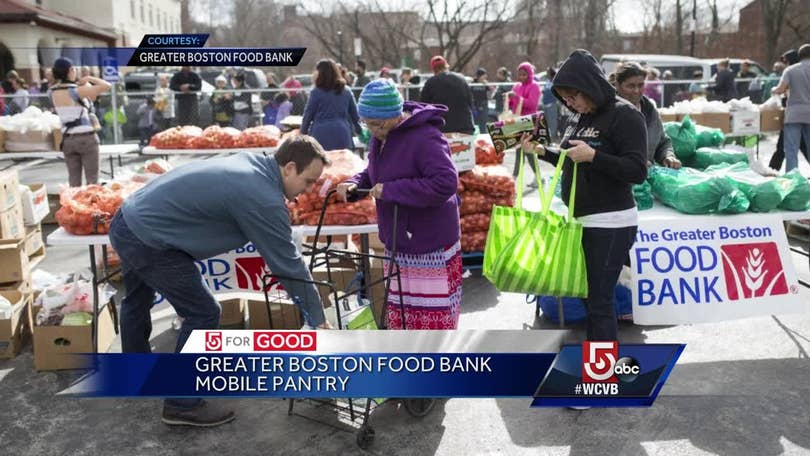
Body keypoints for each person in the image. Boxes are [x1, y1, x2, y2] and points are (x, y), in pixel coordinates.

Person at [108, 135, 332, 427]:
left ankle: (134, 370)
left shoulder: (254, 164)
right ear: (289, 168)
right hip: (149, 239)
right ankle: (180, 405)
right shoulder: (262, 196)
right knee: (203, 312)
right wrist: (318, 319)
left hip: (128, 219)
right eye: (309, 181)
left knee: (138, 298)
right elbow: (289, 266)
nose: (308, 190)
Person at [521, 49, 647, 343]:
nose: (570, 103)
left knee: (600, 302)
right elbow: (570, 158)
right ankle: (599, 367)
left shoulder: (625, 114)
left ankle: (601, 377)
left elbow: (637, 169)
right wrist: (542, 151)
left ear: (589, 86)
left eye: (574, 96)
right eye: (565, 99)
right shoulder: (580, 117)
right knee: (590, 299)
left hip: (612, 222)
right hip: (582, 220)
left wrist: (594, 156)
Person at [336, 79, 461, 330]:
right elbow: (375, 173)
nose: (372, 130)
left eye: (377, 124)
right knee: (405, 316)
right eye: (367, 124)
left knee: (432, 320)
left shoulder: (426, 137)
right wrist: (354, 184)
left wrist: (393, 191)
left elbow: (446, 182)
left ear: (395, 115)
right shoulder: (381, 136)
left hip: (429, 243)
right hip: (398, 239)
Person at [48, 57, 110, 186]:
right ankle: (89, 206)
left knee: (74, 183)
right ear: (70, 70)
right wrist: (89, 78)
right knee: (92, 182)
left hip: (67, 139)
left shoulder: (52, 92)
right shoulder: (76, 90)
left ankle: (72, 205)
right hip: (86, 138)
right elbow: (106, 86)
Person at [612, 62, 681, 169]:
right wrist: (635, 161)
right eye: (630, 86)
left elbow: (662, 142)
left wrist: (667, 156)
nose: (636, 91)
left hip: (645, 180)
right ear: (618, 85)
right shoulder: (608, 113)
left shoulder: (650, 111)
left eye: (640, 85)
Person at [301, 59, 361, 151]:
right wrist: (360, 132)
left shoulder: (316, 92)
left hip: (320, 134)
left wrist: (302, 134)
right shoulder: (346, 90)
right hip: (342, 133)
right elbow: (355, 116)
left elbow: (308, 116)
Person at [771, 44, 810, 172]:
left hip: (794, 114)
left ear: (799, 55)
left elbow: (781, 89)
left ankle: (793, 179)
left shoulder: (790, 70)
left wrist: (774, 90)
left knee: (791, 149)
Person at [420, 55, 475, 134]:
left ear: (433, 69)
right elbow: (470, 101)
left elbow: (424, 106)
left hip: (442, 129)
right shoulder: (461, 78)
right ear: (446, 65)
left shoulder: (430, 82)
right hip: (465, 127)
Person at [508, 62, 541, 179]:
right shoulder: (516, 86)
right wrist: (508, 99)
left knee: (527, 151)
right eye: (519, 74)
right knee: (521, 150)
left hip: (529, 122)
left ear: (530, 75)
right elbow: (513, 105)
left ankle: (515, 177)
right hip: (518, 122)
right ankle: (537, 177)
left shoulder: (535, 86)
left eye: (524, 75)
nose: (521, 77)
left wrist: (516, 97)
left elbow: (532, 104)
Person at [470, 68, 491, 134]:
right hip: (475, 105)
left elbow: (492, 92)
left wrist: (487, 84)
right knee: (475, 123)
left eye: (485, 75)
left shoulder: (485, 83)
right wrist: (473, 106)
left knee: (483, 123)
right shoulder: (473, 83)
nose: (485, 76)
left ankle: (483, 136)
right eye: (484, 75)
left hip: (484, 104)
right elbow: (469, 94)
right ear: (479, 76)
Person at [541, 67, 559, 141]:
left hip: (552, 104)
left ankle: (552, 137)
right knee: (546, 122)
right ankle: (548, 136)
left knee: (552, 122)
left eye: (548, 72)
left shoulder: (555, 81)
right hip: (545, 105)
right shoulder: (547, 81)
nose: (547, 73)